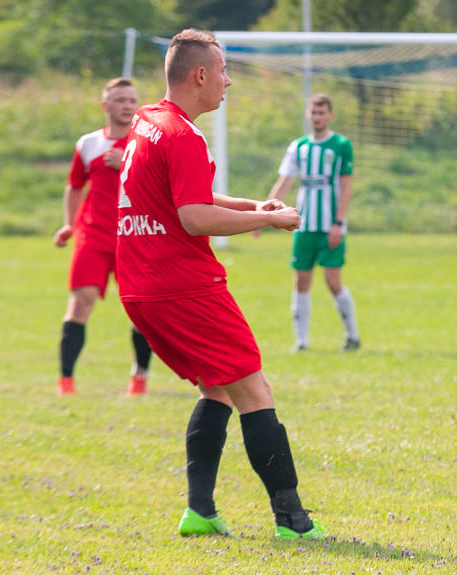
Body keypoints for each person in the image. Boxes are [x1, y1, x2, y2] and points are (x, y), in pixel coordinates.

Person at [115, 29, 327, 539]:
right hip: (182, 284)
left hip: (140, 286)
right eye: (224, 71)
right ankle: (293, 523)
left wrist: (254, 206)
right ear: (201, 75)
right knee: (254, 389)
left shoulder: (149, 121)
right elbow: (192, 216)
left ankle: (200, 513)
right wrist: (269, 222)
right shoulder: (185, 135)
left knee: (219, 387)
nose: (229, 82)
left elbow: (191, 195)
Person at [53, 77, 153, 397]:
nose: (127, 105)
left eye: (131, 100)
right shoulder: (89, 144)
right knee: (80, 303)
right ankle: (66, 383)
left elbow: (160, 184)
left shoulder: (146, 143)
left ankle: (139, 378)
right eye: (120, 100)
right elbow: (74, 186)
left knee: (141, 310)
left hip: (134, 237)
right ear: (106, 105)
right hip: (93, 235)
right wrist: (69, 224)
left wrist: (125, 162)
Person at [265, 94, 360, 352]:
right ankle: (302, 342)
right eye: (313, 112)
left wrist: (339, 222)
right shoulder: (298, 147)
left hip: (330, 225)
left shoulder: (341, 145)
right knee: (301, 281)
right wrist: (264, 212)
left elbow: (346, 185)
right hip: (303, 226)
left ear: (330, 115)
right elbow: (285, 181)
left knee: (332, 281)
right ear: (308, 115)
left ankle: (352, 336)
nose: (317, 117)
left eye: (322, 112)